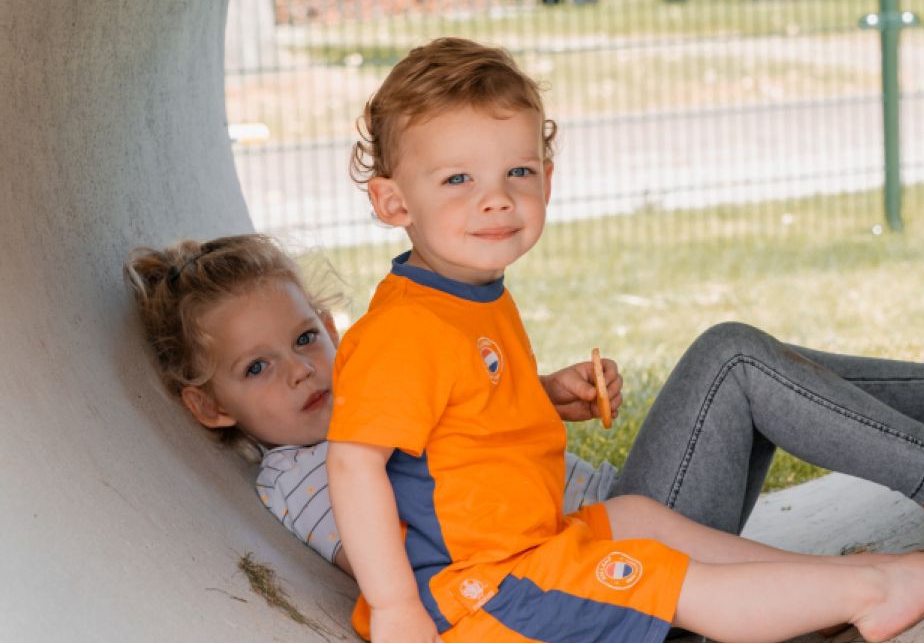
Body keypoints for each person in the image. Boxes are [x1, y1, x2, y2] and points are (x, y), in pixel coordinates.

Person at [325, 37, 924, 643]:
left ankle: (822, 580)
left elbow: (448, 437)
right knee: (712, 428)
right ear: (393, 201)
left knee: (650, 520)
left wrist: (542, 396)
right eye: (456, 180)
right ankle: (870, 590)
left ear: (549, 178)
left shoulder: (463, 296)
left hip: (537, 545)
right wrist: (394, 605)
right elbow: (355, 459)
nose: (496, 198)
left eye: (518, 170)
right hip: (487, 599)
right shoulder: (404, 326)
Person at [123, 233, 620, 575]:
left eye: (304, 338)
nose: (300, 369)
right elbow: (391, 561)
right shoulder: (301, 475)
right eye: (257, 367)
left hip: (608, 502)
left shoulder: (379, 392)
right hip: (593, 549)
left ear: (330, 326)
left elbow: (474, 424)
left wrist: (545, 393)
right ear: (210, 407)